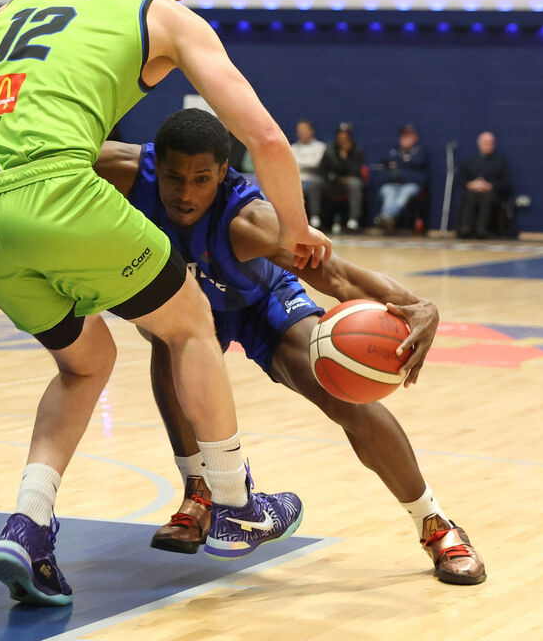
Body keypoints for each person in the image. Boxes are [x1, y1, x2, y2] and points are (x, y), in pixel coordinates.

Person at [0, 0, 331, 607]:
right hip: (60, 191)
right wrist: (296, 230)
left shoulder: (25, 5)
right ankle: (236, 500)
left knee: (86, 361)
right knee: (189, 323)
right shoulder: (160, 12)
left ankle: (29, 525)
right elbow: (268, 140)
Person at [95, 109, 485, 584]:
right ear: (158, 165)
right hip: (190, 304)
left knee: (342, 395)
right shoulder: (117, 169)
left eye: (201, 179)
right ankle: (200, 491)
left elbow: (339, 276)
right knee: (169, 341)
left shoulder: (251, 223)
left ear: (222, 172)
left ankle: (436, 524)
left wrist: (417, 304)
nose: (184, 193)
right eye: (174, 177)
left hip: (261, 300)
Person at [375, 123, 430, 235]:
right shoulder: (392, 151)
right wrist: (406, 167)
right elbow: (384, 173)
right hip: (391, 184)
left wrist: (398, 168)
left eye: (408, 136)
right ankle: (388, 218)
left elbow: (419, 176)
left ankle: (386, 217)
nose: (405, 139)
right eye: (403, 135)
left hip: (411, 185)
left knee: (404, 194)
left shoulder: (420, 153)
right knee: (388, 193)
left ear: (415, 137)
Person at [456, 131, 512, 239]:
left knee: (487, 198)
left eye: (490, 143)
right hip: (473, 191)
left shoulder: (500, 162)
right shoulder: (470, 161)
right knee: (470, 196)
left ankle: (482, 229)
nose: (488, 145)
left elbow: (505, 182)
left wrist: (490, 186)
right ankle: (465, 228)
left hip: (491, 193)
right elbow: (460, 180)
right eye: (485, 143)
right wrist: (471, 184)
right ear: (479, 144)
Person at [318, 123, 366, 233]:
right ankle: (315, 218)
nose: (343, 139)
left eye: (345, 136)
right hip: (332, 183)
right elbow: (322, 170)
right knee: (316, 183)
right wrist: (336, 177)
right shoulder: (330, 149)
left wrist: (345, 158)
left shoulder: (356, 150)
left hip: (348, 185)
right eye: (340, 136)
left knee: (355, 183)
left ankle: (353, 220)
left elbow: (356, 171)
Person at [290, 120, 327, 227]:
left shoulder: (320, 147)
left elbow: (315, 164)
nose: (302, 133)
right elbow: (289, 164)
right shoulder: (293, 147)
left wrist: (298, 162)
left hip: (313, 179)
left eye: (305, 130)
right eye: (300, 131)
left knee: (315, 185)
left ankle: (315, 216)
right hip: (297, 179)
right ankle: (291, 219)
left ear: (311, 131)